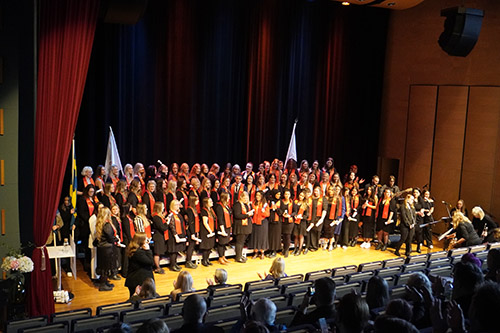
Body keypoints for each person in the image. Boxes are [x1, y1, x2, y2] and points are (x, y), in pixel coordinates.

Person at [95, 207, 120, 291]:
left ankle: (105, 282)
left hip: (103, 248)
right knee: (105, 267)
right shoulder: (107, 224)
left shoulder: (100, 223)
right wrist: (116, 240)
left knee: (104, 267)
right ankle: (103, 285)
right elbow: (110, 237)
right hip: (107, 249)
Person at [125, 233, 154, 297]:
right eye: (145, 239)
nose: (147, 239)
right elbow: (150, 262)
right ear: (141, 241)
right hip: (138, 280)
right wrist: (148, 250)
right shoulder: (138, 253)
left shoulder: (135, 249)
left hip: (135, 278)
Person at [233, 191, 254, 263]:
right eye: (244, 197)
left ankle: (240, 255)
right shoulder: (237, 205)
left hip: (245, 227)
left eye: (247, 197)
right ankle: (238, 257)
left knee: (242, 242)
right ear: (241, 197)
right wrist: (247, 215)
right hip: (240, 226)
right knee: (239, 242)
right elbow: (237, 215)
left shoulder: (246, 205)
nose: (246, 199)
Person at [167, 200, 187, 271]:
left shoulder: (177, 214)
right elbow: (172, 226)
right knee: (173, 251)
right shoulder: (171, 215)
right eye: (176, 205)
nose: (178, 206)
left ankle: (175, 264)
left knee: (176, 251)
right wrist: (176, 236)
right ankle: (172, 265)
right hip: (173, 236)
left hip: (178, 234)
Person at [250, 191, 270, 259]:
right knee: (255, 237)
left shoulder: (265, 204)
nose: (257, 196)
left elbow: (267, 214)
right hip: (255, 222)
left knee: (262, 238)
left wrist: (262, 212)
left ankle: (262, 252)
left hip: (262, 222)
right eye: (256, 195)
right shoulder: (253, 203)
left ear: (262, 196)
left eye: (259, 195)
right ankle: (255, 252)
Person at [214, 192, 232, 265]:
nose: (229, 199)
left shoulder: (226, 206)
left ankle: (223, 256)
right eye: (228, 197)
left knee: (224, 243)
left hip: (227, 226)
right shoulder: (219, 207)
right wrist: (222, 230)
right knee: (221, 243)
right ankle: (220, 257)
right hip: (222, 227)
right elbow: (220, 219)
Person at [151, 202, 168, 274]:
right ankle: (157, 267)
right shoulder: (156, 217)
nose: (164, 208)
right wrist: (167, 223)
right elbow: (162, 227)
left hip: (160, 236)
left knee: (159, 252)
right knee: (157, 253)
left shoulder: (159, 216)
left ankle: (158, 266)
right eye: (163, 206)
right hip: (158, 236)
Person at [200, 197, 216, 267]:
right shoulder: (204, 211)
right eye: (210, 201)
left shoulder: (211, 210)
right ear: (206, 203)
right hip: (206, 231)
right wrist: (210, 231)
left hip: (211, 230)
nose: (212, 202)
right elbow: (205, 222)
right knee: (206, 247)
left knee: (210, 246)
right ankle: (204, 260)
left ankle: (207, 260)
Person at [185, 195, 200, 269]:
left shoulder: (194, 209)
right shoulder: (189, 210)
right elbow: (191, 222)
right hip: (191, 231)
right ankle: (188, 261)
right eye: (196, 200)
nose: (198, 201)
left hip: (194, 230)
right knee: (191, 246)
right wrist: (193, 233)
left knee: (192, 246)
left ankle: (189, 261)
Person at [292, 190, 309, 255]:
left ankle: (300, 249)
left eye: (302, 196)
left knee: (301, 236)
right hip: (296, 221)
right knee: (296, 235)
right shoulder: (296, 203)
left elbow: (307, 215)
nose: (300, 197)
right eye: (300, 195)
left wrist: (301, 217)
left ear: (304, 197)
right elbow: (293, 211)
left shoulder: (305, 204)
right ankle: (295, 248)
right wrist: (295, 216)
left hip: (302, 222)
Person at [279, 189, 294, 257]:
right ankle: (284, 249)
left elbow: (295, 211)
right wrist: (282, 214)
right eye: (286, 194)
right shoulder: (281, 202)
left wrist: (290, 215)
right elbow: (278, 209)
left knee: (288, 236)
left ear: (290, 195)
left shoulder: (292, 202)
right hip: (282, 221)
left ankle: (287, 250)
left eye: (288, 194)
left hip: (289, 222)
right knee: (284, 236)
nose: (287, 195)